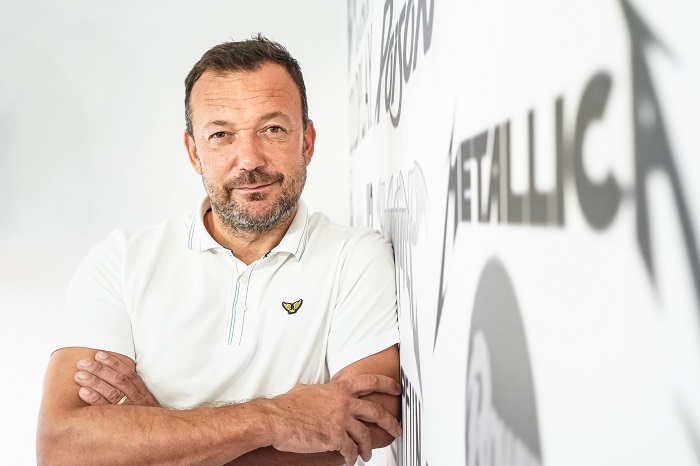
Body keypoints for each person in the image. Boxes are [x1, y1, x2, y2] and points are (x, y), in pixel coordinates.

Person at [36, 34, 401, 466]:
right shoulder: (119, 262)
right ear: (194, 152)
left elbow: (363, 428)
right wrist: (278, 419)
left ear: (306, 141)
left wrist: (156, 435)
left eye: (272, 129)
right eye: (221, 135)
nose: (249, 160)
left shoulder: (356, 258)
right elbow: (62, 447)